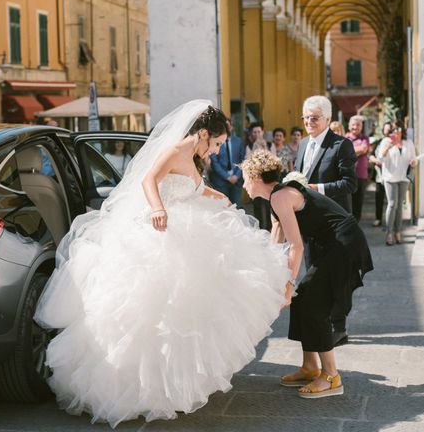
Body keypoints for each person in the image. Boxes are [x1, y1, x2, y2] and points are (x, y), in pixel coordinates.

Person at [34, 100, 291, 428]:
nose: (214, 151)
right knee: (149, 313)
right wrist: (157, 209)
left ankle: (172, 387)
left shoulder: (195, 159)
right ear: (201, 134)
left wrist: (217, 196)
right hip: (162, 232)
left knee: (184, 314)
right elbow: (149, 181)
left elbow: (194, 189)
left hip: (188, 231)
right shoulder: (173, 150)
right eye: (214, 144)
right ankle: (133, 389)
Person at [242, 151, 373, 399]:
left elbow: (296, 247)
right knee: (305, 300)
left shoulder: (281, 196)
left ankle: (332, 376)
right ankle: (311, 367)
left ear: (255, 176)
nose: (244, 184)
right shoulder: (276, 198)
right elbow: (275, 244)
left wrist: (288, 286)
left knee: (313, 302)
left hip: (344, 243)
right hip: (333, 243)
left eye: (245, 178)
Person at [295, 95, 357, 347]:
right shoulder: (301, 145)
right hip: (310, 224)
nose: (309, 122)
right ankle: (321, 323)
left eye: (314, 118)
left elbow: (349, 184)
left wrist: (314, 187)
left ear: (328, 119)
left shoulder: (341, 146)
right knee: (312, 273)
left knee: (335, 277)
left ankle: (339, 327)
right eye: (305, 117)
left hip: (334, 224)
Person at [377, 120, 417, 245]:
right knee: (392, 204)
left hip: (404, 177)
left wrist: (414, 163)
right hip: (390, 177)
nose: (396, 132)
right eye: (393, 130)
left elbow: (414, 159)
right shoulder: (385, 141)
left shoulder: (408, 143)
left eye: (398, 129)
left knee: (400, 205)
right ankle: (389, 233)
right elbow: (380, 159)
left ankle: (398, 232)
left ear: (402, 130)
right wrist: (388, 147)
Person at [245, 122, 274, 230]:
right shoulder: (249, 146)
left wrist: (265, 147)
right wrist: (255, 147)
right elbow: (249, 162)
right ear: (252, 134)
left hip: (269, 181)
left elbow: (273, 160)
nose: (257, 134)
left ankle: (271, 232)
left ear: (263, 132)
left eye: (259, 131)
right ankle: (261, 232)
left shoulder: (270, 145)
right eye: (254, 132)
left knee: (269, 207)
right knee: (258, 207)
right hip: (256, 181)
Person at [209, 120, 245, 205]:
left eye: (228, 125)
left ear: (231, 127)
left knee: (236, 207)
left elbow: (243, 160)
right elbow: (214, 162)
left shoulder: (238, 141)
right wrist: (227, 177)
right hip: (220, 181)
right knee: (223, 207)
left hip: (236, 180)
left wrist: (236, 175)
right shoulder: (216, 141)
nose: (226, 128)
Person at [345, 115, 370, 221]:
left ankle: (356, 222)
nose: (356, 127)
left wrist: (350, 151)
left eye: (358, 125)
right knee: (347, 200)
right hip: (346, 174)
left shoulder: (365, 138)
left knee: (358, 200)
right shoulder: (345, 138)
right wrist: (356, 150)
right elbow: (343, 152)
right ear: (349, 126)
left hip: (361, 174)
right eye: (354, 125)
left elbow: (364, 149)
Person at [369, 121, 394, 226]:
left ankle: (391, 221)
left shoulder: (394, 142)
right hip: (380, 175)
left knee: (391, 199)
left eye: (390, 129)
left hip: (391, 174)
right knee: (379, 197)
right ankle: (378, 218)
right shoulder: (379, 142)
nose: (387, 131)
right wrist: (376, 161)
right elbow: (371, 155)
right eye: (386, 129)